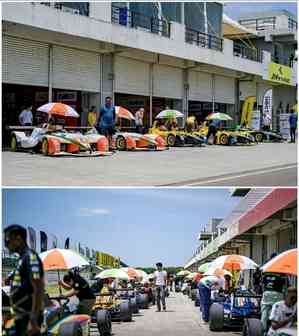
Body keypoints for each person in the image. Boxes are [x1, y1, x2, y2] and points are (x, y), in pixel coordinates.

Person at [4, 224, 45, 336]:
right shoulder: (22, 258)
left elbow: (38, 288)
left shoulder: (30, 257)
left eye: (7, 240)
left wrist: (33, 319)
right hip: (21, 316)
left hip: (29, 317)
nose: (5, 244)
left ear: (18, 238)